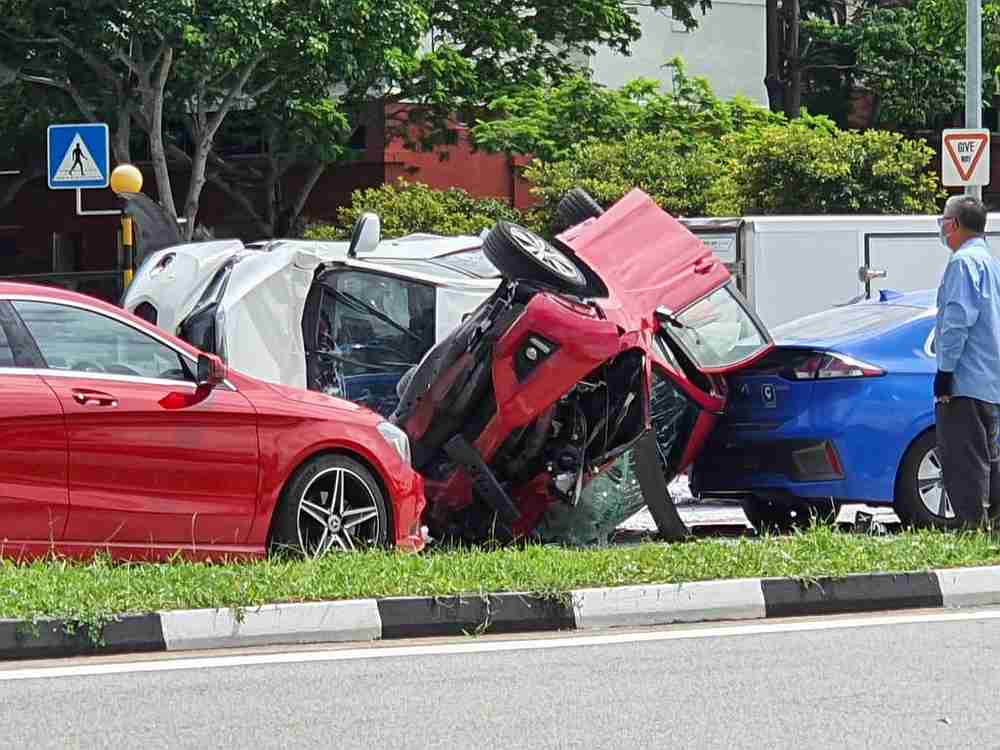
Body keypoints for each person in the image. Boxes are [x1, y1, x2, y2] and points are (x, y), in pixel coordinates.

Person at [934, 194, 1000, 528]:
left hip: (966, 379)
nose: (942, 225)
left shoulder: (962, 263)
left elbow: (957, 320)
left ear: (955, 224)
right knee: (989, 458)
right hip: (989, 379)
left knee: (964, 460)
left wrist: (945, 373)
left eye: (944, 219)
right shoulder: (990, 262)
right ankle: (992, 527)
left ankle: (971, 528)